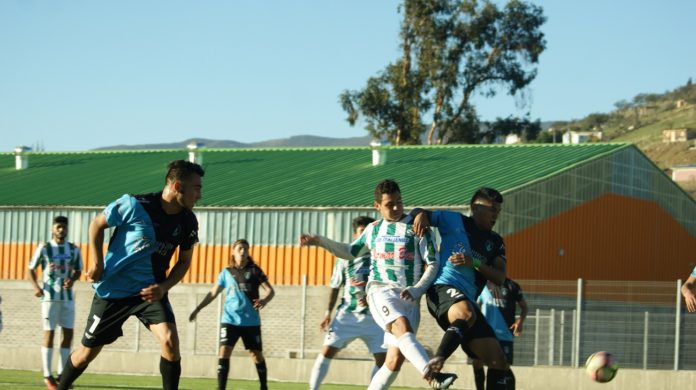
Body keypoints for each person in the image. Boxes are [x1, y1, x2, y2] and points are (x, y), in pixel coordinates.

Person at [57, 159, 204, 390]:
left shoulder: (188, 221)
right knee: (86, 354)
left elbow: (184, 262)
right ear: (177, 187)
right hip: (113, 292)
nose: (199, 195)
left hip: (149, 292)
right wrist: (96, 262)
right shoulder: (135, 205)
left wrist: (164, 287)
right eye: (197, 188)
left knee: (170, 341)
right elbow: (96, 224)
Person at [300, 179, 457, 390]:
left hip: (410, 297)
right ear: (377, 206)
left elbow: (433, 263)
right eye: (389, 204)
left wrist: (418, 289)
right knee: (401, 325)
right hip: (380, 291)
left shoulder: (417, 227)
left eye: (399, 201)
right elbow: (349, 251)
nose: (396, 207)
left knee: (393, 362)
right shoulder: (373, 230)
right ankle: (432, 377)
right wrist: (320, 241)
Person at [410, 187, 516, 389]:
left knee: (500, 364)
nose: (496, 215)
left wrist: (474, 262)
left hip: (468, 303)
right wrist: (421, 215)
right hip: (441, 289)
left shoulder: (495, 241)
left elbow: (500, 277)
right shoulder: (453, 220)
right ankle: (438, 360)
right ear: (475, 208)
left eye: (498, 211)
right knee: (466, 313)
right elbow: (417, 212)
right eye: (492, 209)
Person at [308, 216, 387, 390]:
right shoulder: (345, 258)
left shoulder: (380, 255)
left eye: (368, 232)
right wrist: (327, 313)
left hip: (375, 318)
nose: (365, 236)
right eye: (361, 232)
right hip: (347, 315)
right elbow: (335, 286)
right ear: (355, 235)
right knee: (327, 352)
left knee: (384, 360)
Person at [189, 239, 275, 390]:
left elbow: (270, 291)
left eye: (246, 249)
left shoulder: (255, 270)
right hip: (229, 320)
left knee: (256, 354)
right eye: (240, 249)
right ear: (233, 252)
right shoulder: (226, 273)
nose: (243, 252)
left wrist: (264, 301)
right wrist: (198, 309)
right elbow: (213, 293)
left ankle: (264, 386)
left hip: (251, 321)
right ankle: (220, 388)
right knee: (224, 351)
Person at [28, 215, 83, 390]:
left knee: (68, 334)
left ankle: (62, 374)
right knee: (49, 334)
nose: (61, 230)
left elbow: (78, 269)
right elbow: (30, 269)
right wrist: (36, 286)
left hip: (67, 299)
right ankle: (47, 375)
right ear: (53, 229)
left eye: (64, 227)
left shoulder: (73, 249)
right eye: (58, 227)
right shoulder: (44, 248)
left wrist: (72, 279)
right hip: (49, 298)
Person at [471, 278, 528, 390]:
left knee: (503, 367)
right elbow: (475, 306)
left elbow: (524, 307)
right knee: (477, 362)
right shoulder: (482, 286)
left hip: (505, 335)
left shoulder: (511, 286)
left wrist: (519, 322)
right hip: (486, 335)